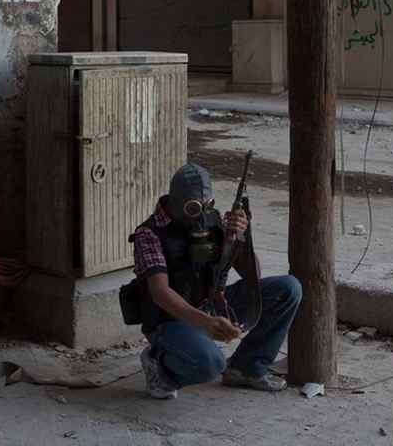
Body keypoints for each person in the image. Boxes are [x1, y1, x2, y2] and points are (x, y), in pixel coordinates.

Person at [128, 163, 302, 399]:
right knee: (210, 364)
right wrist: (206, 323)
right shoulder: (150, 234)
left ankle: (246, 368)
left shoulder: (213, 220)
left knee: (288, 289)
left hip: (211, 305)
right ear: (174, 201)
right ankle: (160, 367)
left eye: (206, 205)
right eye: (193, 208)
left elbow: (253, 277)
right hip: (170, 319)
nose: (201, 216)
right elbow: (160, 293)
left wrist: (240, 238)